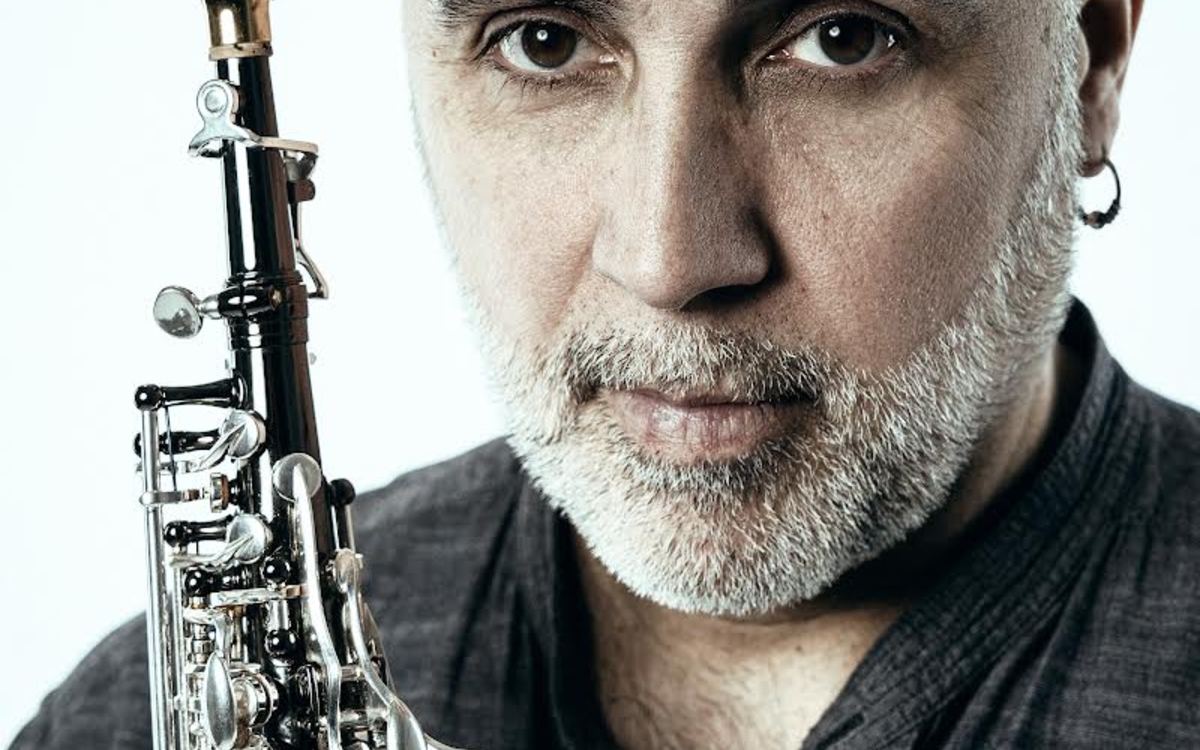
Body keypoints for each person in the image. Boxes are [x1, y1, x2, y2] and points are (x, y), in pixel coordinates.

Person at [14, 0, 1199, 747]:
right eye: (545, 41)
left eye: (843, 38)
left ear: (1090, 64)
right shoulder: (119, 724)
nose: (670, 258)